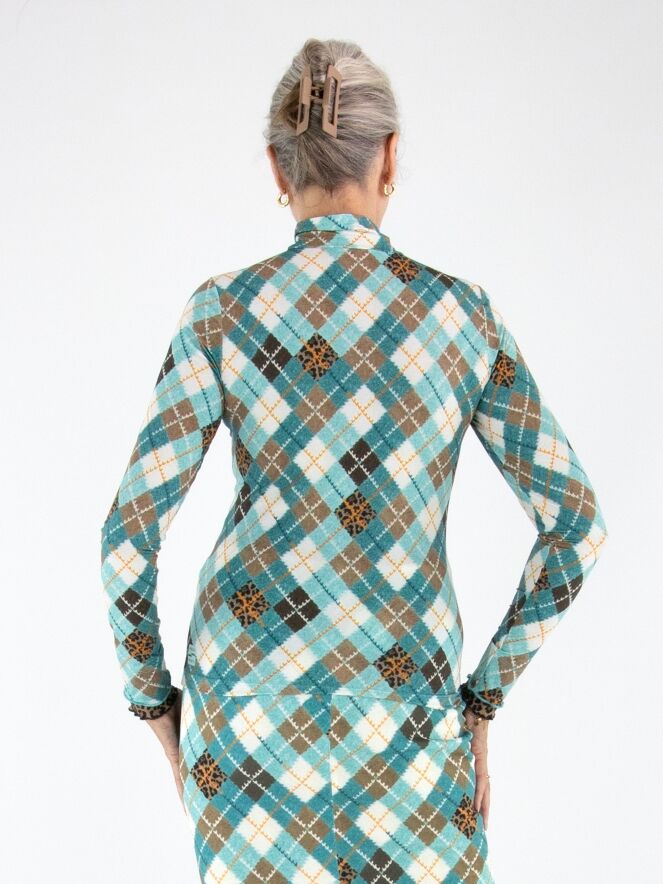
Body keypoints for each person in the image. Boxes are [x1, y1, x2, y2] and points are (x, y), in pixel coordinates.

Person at [100, 37, 608, 884]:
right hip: (404, 705)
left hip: (244, 704)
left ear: (277, 165)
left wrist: (157, 706)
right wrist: (482, 698)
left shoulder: (221, 313)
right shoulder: (460, 317)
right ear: (390, 158)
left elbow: (126, 537)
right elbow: (576, 525)